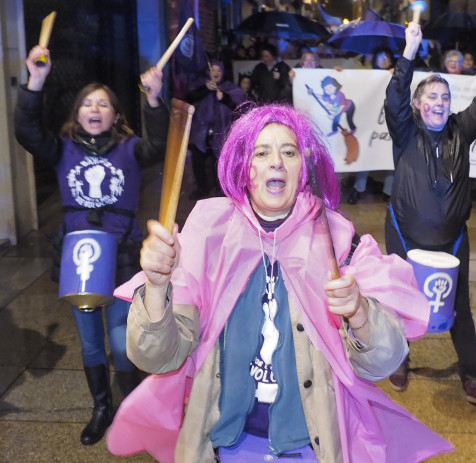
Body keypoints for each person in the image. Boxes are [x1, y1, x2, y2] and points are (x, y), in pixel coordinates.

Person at [105, 104, 453, 462]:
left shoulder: (337, 241)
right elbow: (157, 357)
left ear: (303, 169)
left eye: (289, 152)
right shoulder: (208, 234)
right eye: (261, 151)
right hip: (226, 441)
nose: (277, 162)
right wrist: (158, 286)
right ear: (244, 167)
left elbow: (385, 362)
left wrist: (360, 313)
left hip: (310, 443)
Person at [14, 45, 169, 445]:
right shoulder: (62, 148)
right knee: (89, 340)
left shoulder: (130, 149)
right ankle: (101, 407)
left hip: (120, 254)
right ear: (77, 113)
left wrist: (153, 98)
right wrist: (35, 82)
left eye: (103, 104)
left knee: (121, 340)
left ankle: (133, 406)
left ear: (116, 115)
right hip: (78, 255)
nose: (94, 109)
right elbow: (27, 132)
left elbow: (159, 145)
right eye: (87, 103)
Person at [383, 18, 476, 406]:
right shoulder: (405, 132)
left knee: (462, 309)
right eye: (431, 98)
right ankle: (399, 359)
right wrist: (408, 52)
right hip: (404, 234)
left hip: (452, 240)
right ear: (419, 106)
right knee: (401, 299)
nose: (439, 103)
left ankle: (471, 376)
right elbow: (394, 97)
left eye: (445, 97)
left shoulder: (460, 130)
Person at [186, 59, 248, 200]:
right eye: (213, 70)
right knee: (198, 162)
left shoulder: (229, 88)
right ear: (209, 72)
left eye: (219, 70)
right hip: (201, 133)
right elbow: (189, 98)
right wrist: (206, 89)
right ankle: (202, 188)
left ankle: (222, 191)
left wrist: (224, 98)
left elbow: (239, 108)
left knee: (220, 164)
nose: (216, 73)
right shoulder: (202, 86)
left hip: (221, 133)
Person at [348, 47, 397, 205]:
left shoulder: (397, 74)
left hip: (389, 121)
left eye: (387, 57)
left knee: (391, 156)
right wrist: (339, 73)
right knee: (365, 155)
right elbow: (350, 84)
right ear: (375, 60)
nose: (384, 61)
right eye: (380, 57)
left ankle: (389, 192)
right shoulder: (366, 76)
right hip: (369, 122)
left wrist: (396, 75)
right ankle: (359, 188)